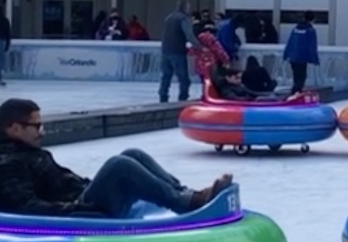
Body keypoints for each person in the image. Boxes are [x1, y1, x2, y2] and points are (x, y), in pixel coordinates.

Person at [0, 98, 233, 218]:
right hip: (81, 212)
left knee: (133, 154)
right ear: (14, 128)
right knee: (118, 165)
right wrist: (71, 208)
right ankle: (185, 204)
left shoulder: (26, 152)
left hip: (81, 197)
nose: (42, 132)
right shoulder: (9, 164)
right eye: (36, 126)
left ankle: (187, 195)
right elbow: (25, 206)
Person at [159, 0, 202, 103]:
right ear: (186, 8)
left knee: (166, 77)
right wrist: (199, 46)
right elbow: (189, 35)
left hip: (165, 51)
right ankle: (182, 99)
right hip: (177, 52)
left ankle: (163, 97)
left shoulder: (169, 17)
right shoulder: (183, 19)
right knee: (184, 79)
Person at [283, 12, 319, 93]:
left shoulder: (296, 29)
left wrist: (286, 55)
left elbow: (290, 42)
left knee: (296, 77)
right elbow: (312, 46)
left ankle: (294, 93)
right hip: (302, 58)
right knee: (301, 78)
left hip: (293, 57)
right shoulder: (310, 30)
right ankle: (295, 94)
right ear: (312, 19)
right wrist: (315, 59)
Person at [0, 8, 10, 86]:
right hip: (2, 41)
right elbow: (8, 33)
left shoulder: (5, 21)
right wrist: (7, 44)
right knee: (1, 61)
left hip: (2, 40)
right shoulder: (5, 20)